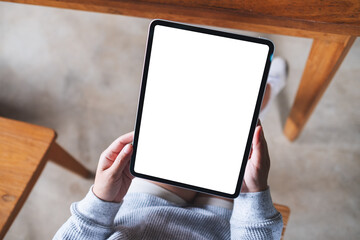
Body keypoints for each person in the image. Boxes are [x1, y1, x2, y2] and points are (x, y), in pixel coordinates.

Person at [54, 57, 287, 240]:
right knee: (239, 129)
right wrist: (254, 194)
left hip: (145, 208)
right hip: (223, 226)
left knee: (192, 121)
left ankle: (257, 100)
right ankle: (262, 95)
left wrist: (101, 199)